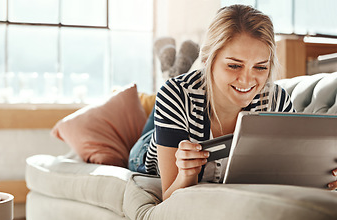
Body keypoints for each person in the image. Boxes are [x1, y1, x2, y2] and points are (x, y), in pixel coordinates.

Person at [129, 4, 337, 200]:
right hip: (146, 151)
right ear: (207, 61)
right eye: (234, 66)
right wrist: (186, 174)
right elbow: (170, 198)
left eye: (260, 67)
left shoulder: (275, 99)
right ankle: (171, 74)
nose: (247, 81)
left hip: (189, 96)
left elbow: (293, 173)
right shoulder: (175, 94)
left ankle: (174, 71)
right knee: (168, 91)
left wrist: (325, 176)